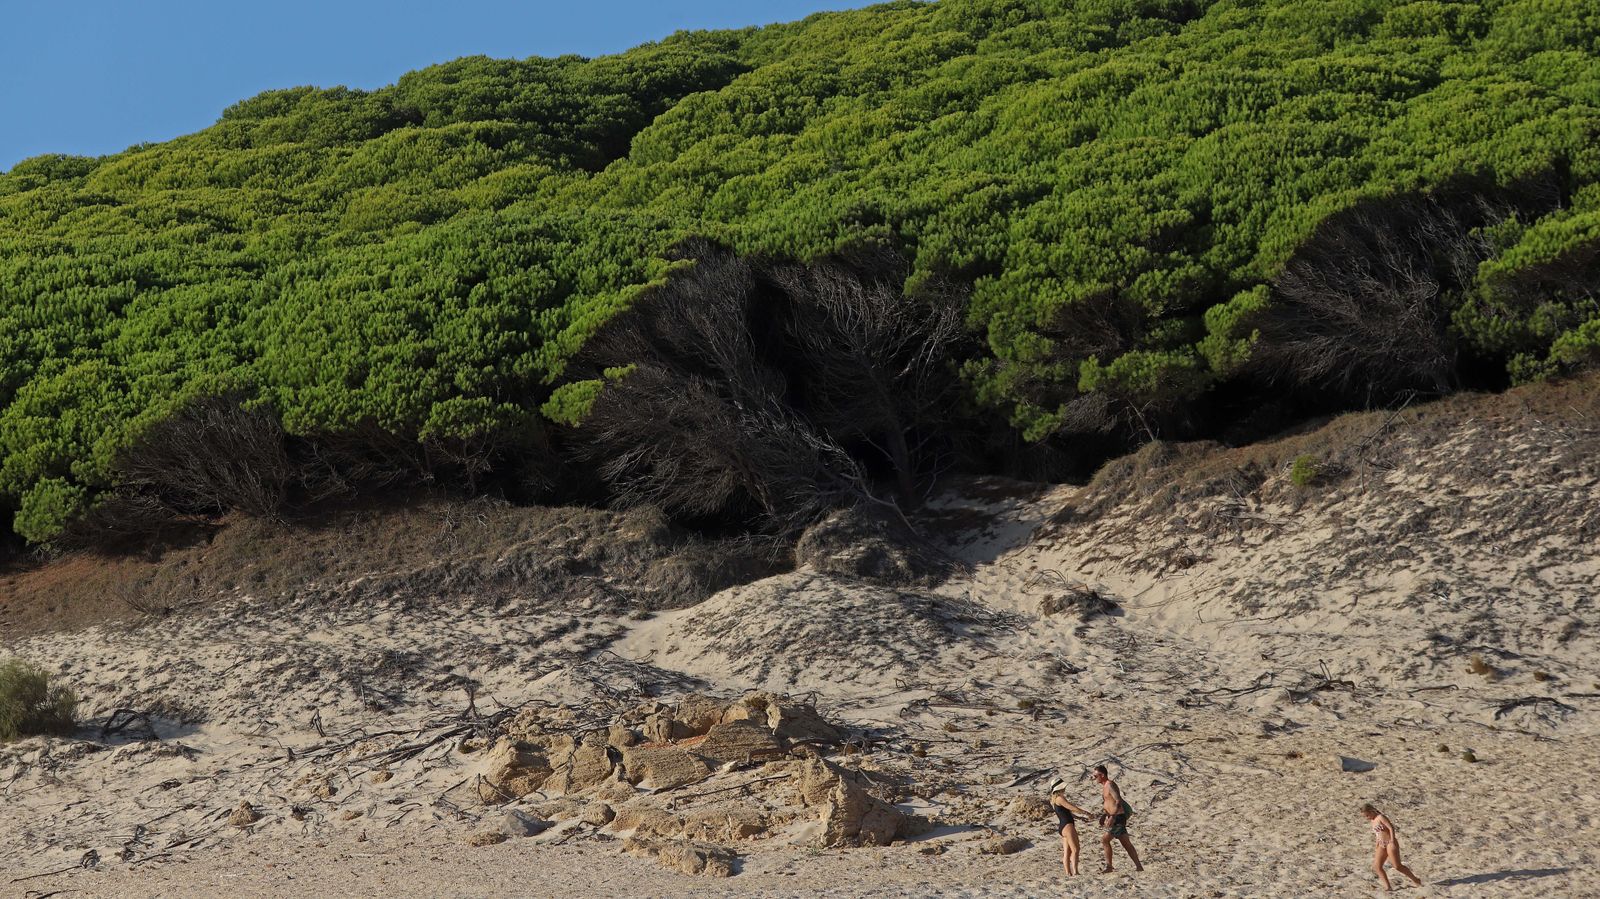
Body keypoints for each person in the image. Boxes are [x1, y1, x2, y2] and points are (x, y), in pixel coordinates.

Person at [1091, 764, 1143, 873]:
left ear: (1102, 775)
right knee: (1126, 843)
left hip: (1117, 818)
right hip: (1115, 817)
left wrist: (1112, 817)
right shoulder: (1105, 786)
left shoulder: (1110, 785)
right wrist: (1104, 815)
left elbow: (1118, 800)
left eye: (1096, 776)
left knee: (1105, 840)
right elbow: (1109, 803)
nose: (1094, 778)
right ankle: (1139, 866)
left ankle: (1109, 867)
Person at [1361, 803, 1423, 892]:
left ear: (1371, 811)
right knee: (1377, 866)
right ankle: (1388, 887)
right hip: (1381, 844)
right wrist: (1377, 845)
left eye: (1367, 815)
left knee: (1397, 866)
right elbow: (1377, 834)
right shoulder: (1372, 821)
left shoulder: (1380, 817)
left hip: (1390, 842)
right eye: (1365, 816)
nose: (1367, 818)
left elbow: (1391, 828)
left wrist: (1392, 841)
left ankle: (1416, 880)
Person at [1047, 777, 1093, 876]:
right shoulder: (1060, 798)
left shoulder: (1054, 800)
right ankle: (1075, 872)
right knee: (1075, 849)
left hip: (1063, 826)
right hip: (1068, 826)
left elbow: (1066, 813)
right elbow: (1071, 807)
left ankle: (1068, 873)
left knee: (1067, 852)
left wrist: (1080, 818)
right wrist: (1085, 813)